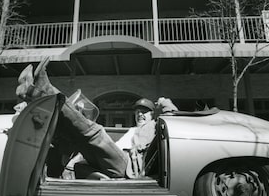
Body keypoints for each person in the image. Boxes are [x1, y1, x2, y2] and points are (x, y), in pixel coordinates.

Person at [15, 57, 177, 179]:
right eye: (137, 112)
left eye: (145, 112)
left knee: (95, 133)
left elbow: (173, 116)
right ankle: (30, 93)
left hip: (127, 166)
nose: (140, 114)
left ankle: (46, 90)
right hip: (112, 161)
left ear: (153, 115)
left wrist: (162, 102)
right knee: (76, 136)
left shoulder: (157, 126)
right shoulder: (132, 131)